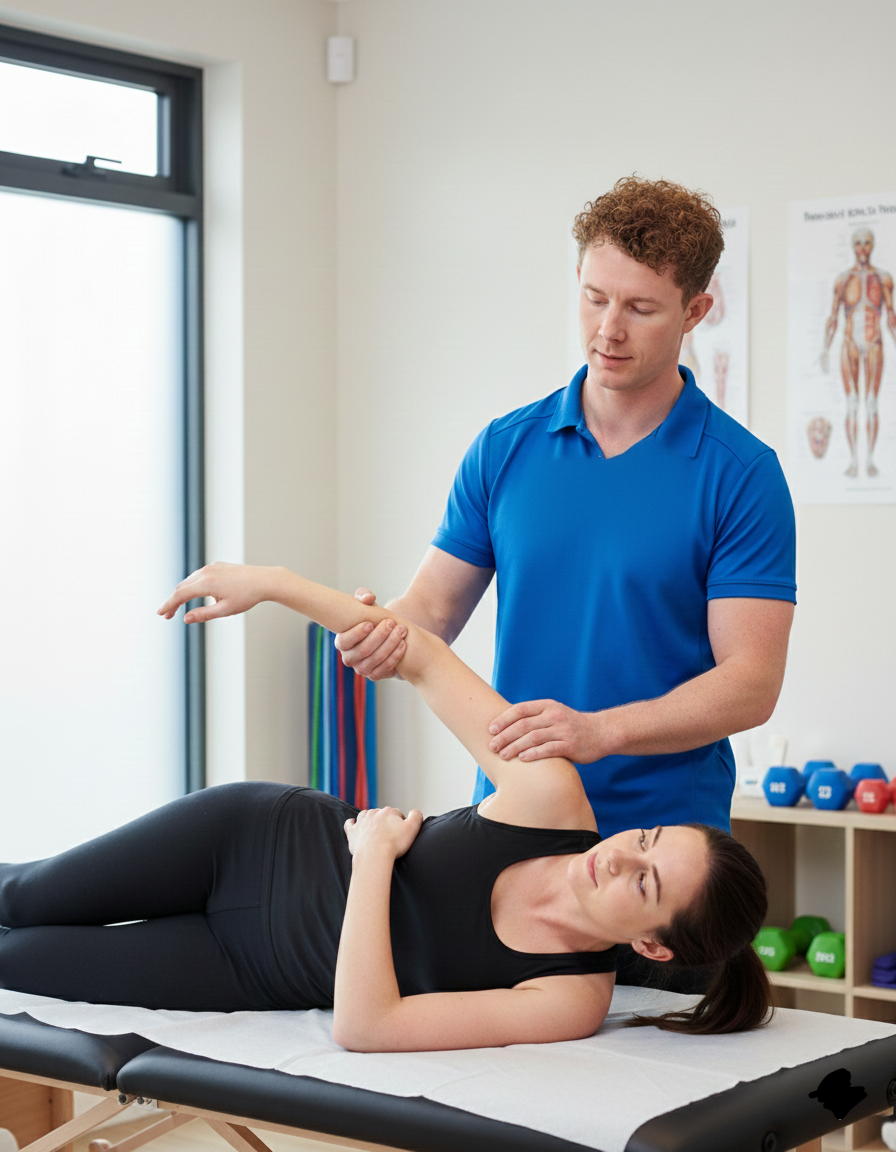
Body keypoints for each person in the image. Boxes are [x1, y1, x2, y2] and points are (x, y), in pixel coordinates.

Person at [0, 562, 771, 1051]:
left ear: (655, 950)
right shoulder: (551, 798)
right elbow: (422, 656)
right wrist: (270, 584)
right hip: (246, 840)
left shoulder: (569, 996)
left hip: (247, 968)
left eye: (644, 882)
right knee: (22, 896)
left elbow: (367, 1028)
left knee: (15, 961)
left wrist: (373, 861)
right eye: (648, 837)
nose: (619, 855)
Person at [335, 176, 796, 845]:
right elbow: (430, 612)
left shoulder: (741, 475)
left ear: (696, 311)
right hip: (516, 818)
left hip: (663, 847)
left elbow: (750, 685)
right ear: (577, 275)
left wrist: (598, 731)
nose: (608, 330)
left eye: (641, 308)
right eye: (594, 297)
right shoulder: (504, 448)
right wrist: (383, 632)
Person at [821, 227, 896, 478]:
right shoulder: (843, 280)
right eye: (858, 243)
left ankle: (871, 460)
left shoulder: (884, 278)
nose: (863, 248)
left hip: (874, 341)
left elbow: (891, 317)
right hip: (849, 343)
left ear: (872, 245)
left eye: (867, 243)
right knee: (852, 404)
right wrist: (825, 347)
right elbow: (833, 318)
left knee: (872, 403)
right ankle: (854, 461)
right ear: (853, 246)